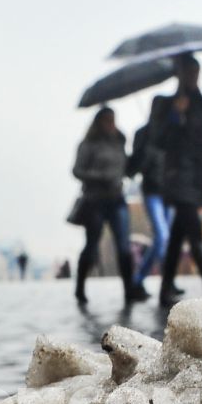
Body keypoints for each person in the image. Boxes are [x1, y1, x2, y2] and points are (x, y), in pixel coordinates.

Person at [152, 55, 202, 306]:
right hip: (176, 177)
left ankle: (165, 289)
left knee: (177, 236)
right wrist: (175, 115)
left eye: (196, 72)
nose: (192, 77)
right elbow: (158, 140)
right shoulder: (164, 103)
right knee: (194, 231)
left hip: (196, 177)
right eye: (187, 72)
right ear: (179, 74)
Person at [71, 107, 144, 305]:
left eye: (113, 120)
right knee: (92, 244)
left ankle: (129, 290)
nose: (111, 124)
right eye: (107, 120)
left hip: (117, 198)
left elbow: (127, 169)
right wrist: (101, 177)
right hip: (95, 200)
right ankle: (80, 288)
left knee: (124, 245)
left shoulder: (119, 142)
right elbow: (77, 170)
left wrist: (140, 157)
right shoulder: (88, 145)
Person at [127, 113, 170, 288]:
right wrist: (149, 148)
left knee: (164, 239)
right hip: (152, 190)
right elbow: (134, 166)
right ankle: (147, 279)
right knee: (162, 235)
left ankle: (145, 278)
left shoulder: (170, 133)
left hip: (170, 192)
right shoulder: (142, 134)